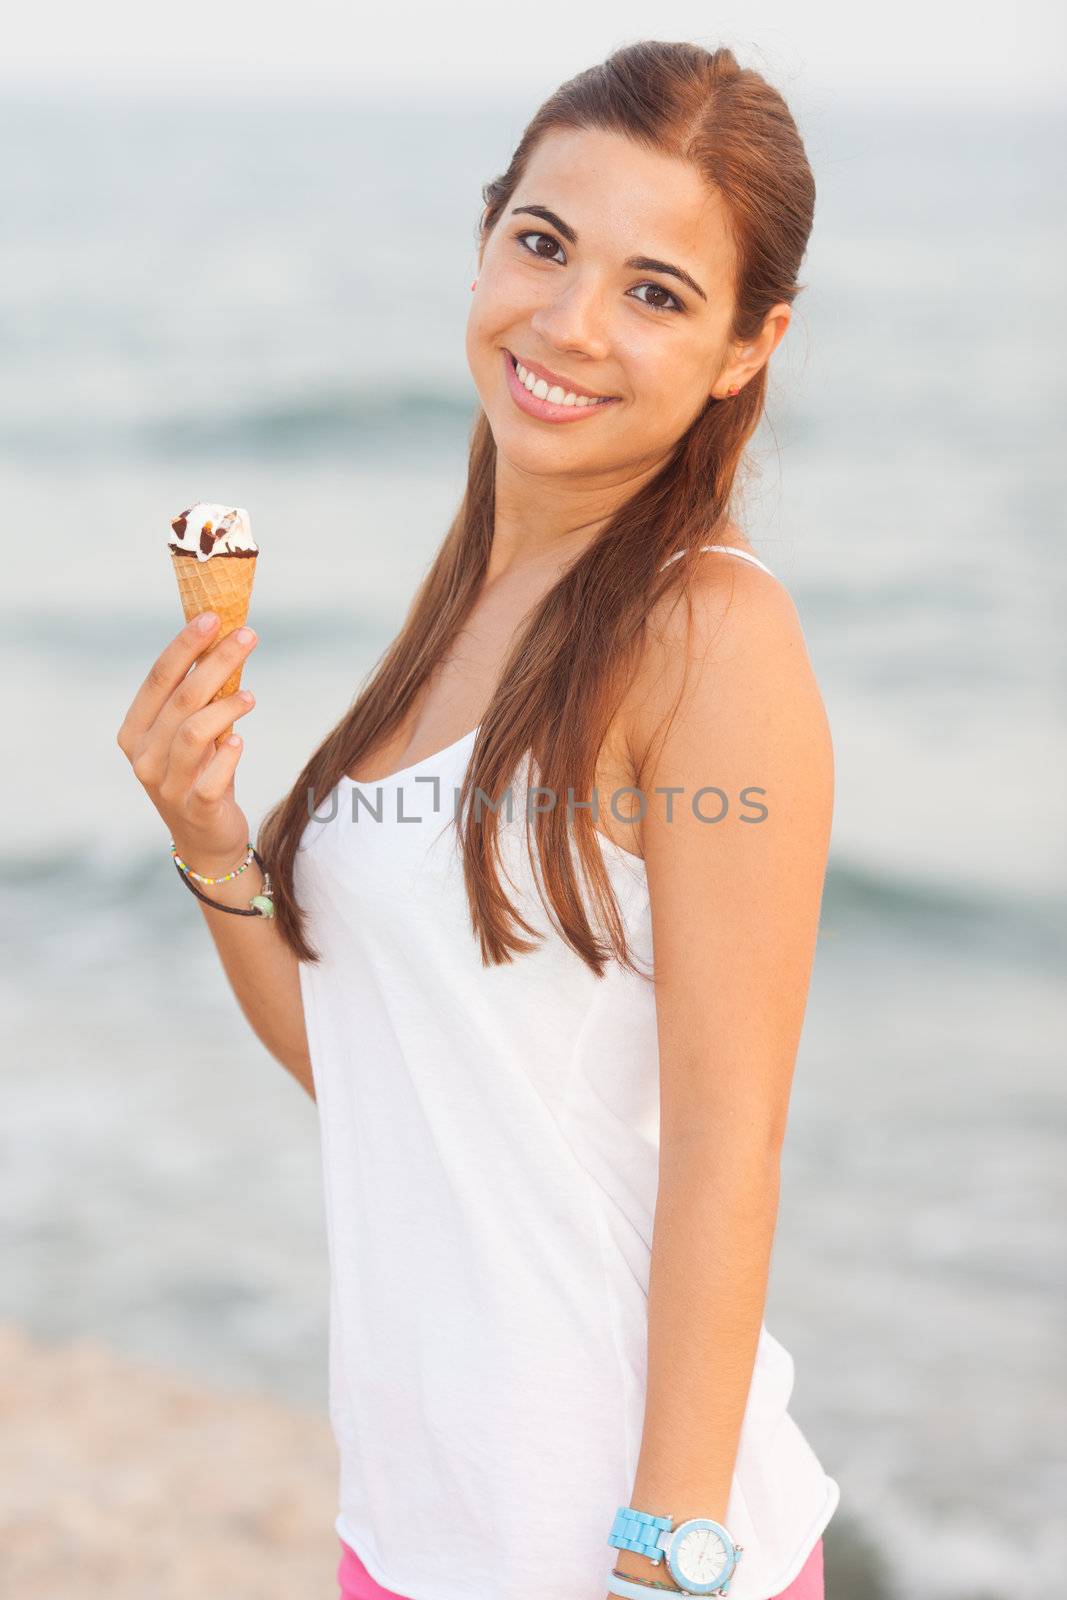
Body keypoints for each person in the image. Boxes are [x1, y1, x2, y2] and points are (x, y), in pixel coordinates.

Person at [118, 38, 839, 1600]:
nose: (568, 323)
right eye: (544, 242)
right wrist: (210, 842)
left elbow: (731, 1142)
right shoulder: (469, 609)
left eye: (656, 291)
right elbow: (376, 1072)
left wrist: (668, 1546)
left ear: (743, 346)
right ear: (488, 236)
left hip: (619, 1542)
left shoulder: (708, 636)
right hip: (412, 1521)